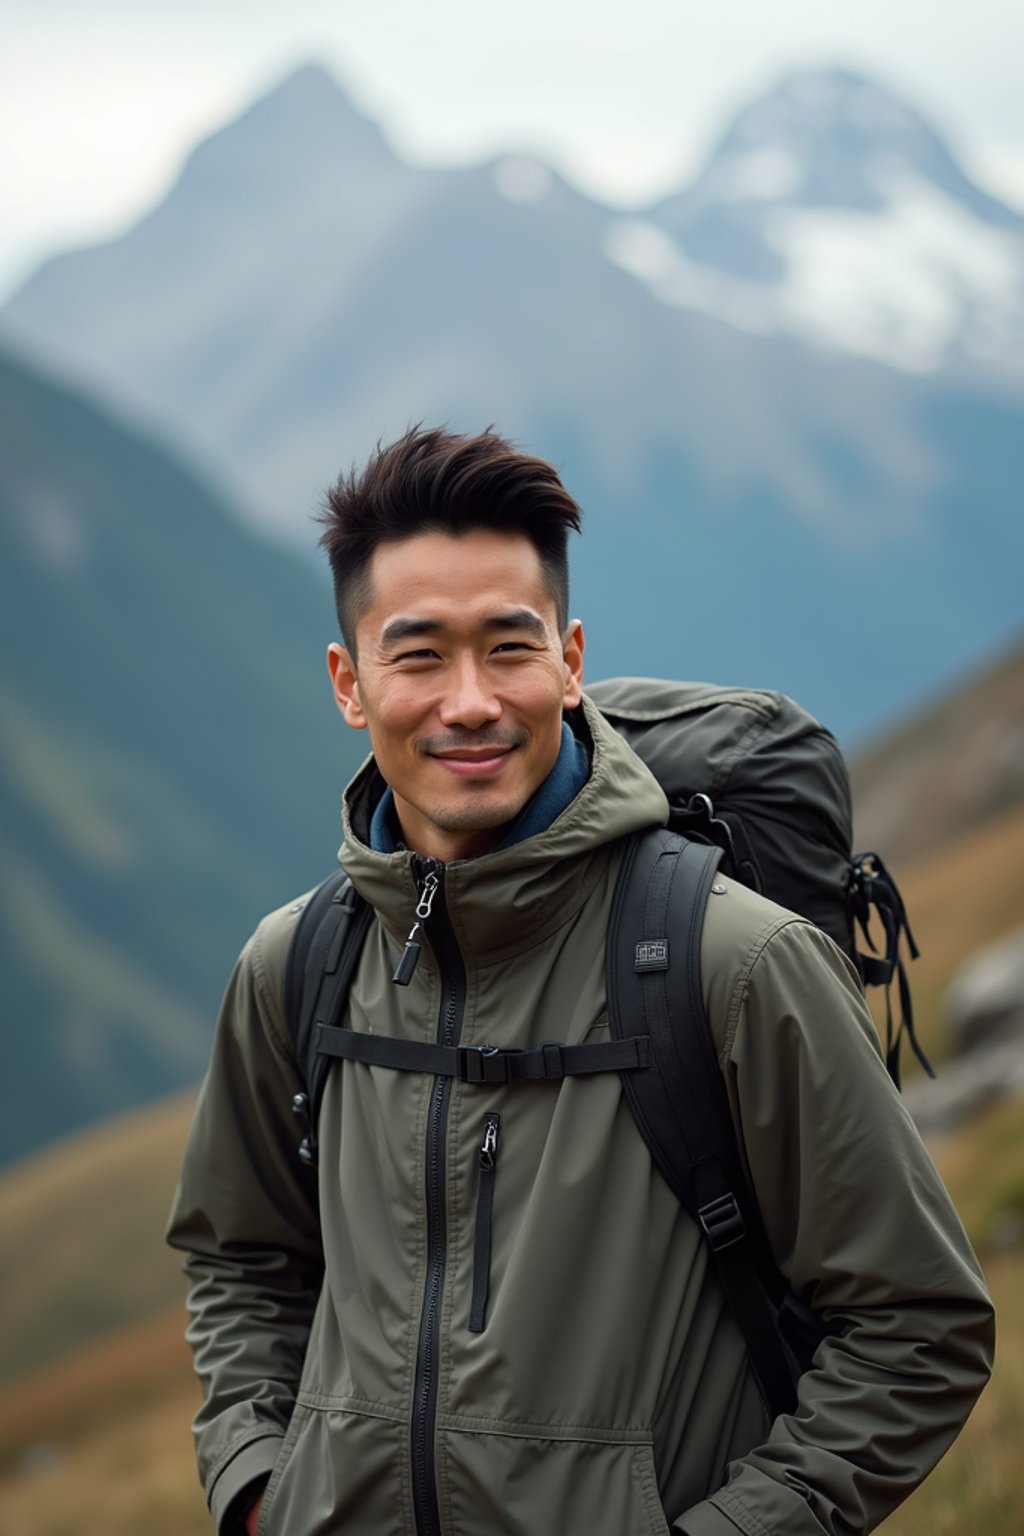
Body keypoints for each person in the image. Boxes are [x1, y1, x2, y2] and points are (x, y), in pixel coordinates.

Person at [167, 425, 994, 1536]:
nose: (469, 702)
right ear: (348, 682)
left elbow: (919, 1327)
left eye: (509, 648)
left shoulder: (731, 962)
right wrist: (260, 1483)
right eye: (416, 655)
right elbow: (240, 1257)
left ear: (569, 660)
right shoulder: (299, 966)